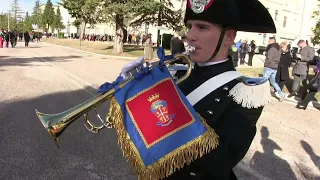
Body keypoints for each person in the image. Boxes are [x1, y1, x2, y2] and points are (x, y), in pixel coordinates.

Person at [161, 0, 275, 179]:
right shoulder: (176, 75)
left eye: (202, 27)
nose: (190, 35)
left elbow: (219, 162)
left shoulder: (244, 92)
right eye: (190, 26)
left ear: (228, 37)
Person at [263, 37, 285, 101]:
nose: (268, 42)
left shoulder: (272, 48)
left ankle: (262, 94)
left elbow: (269, 58)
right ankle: (281, 94)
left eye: (269, 41)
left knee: (263, 81)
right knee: (273, 82)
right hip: (275, 67)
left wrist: (265, 64)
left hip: (269, 67)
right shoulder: (279, 48)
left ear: (272, 41)